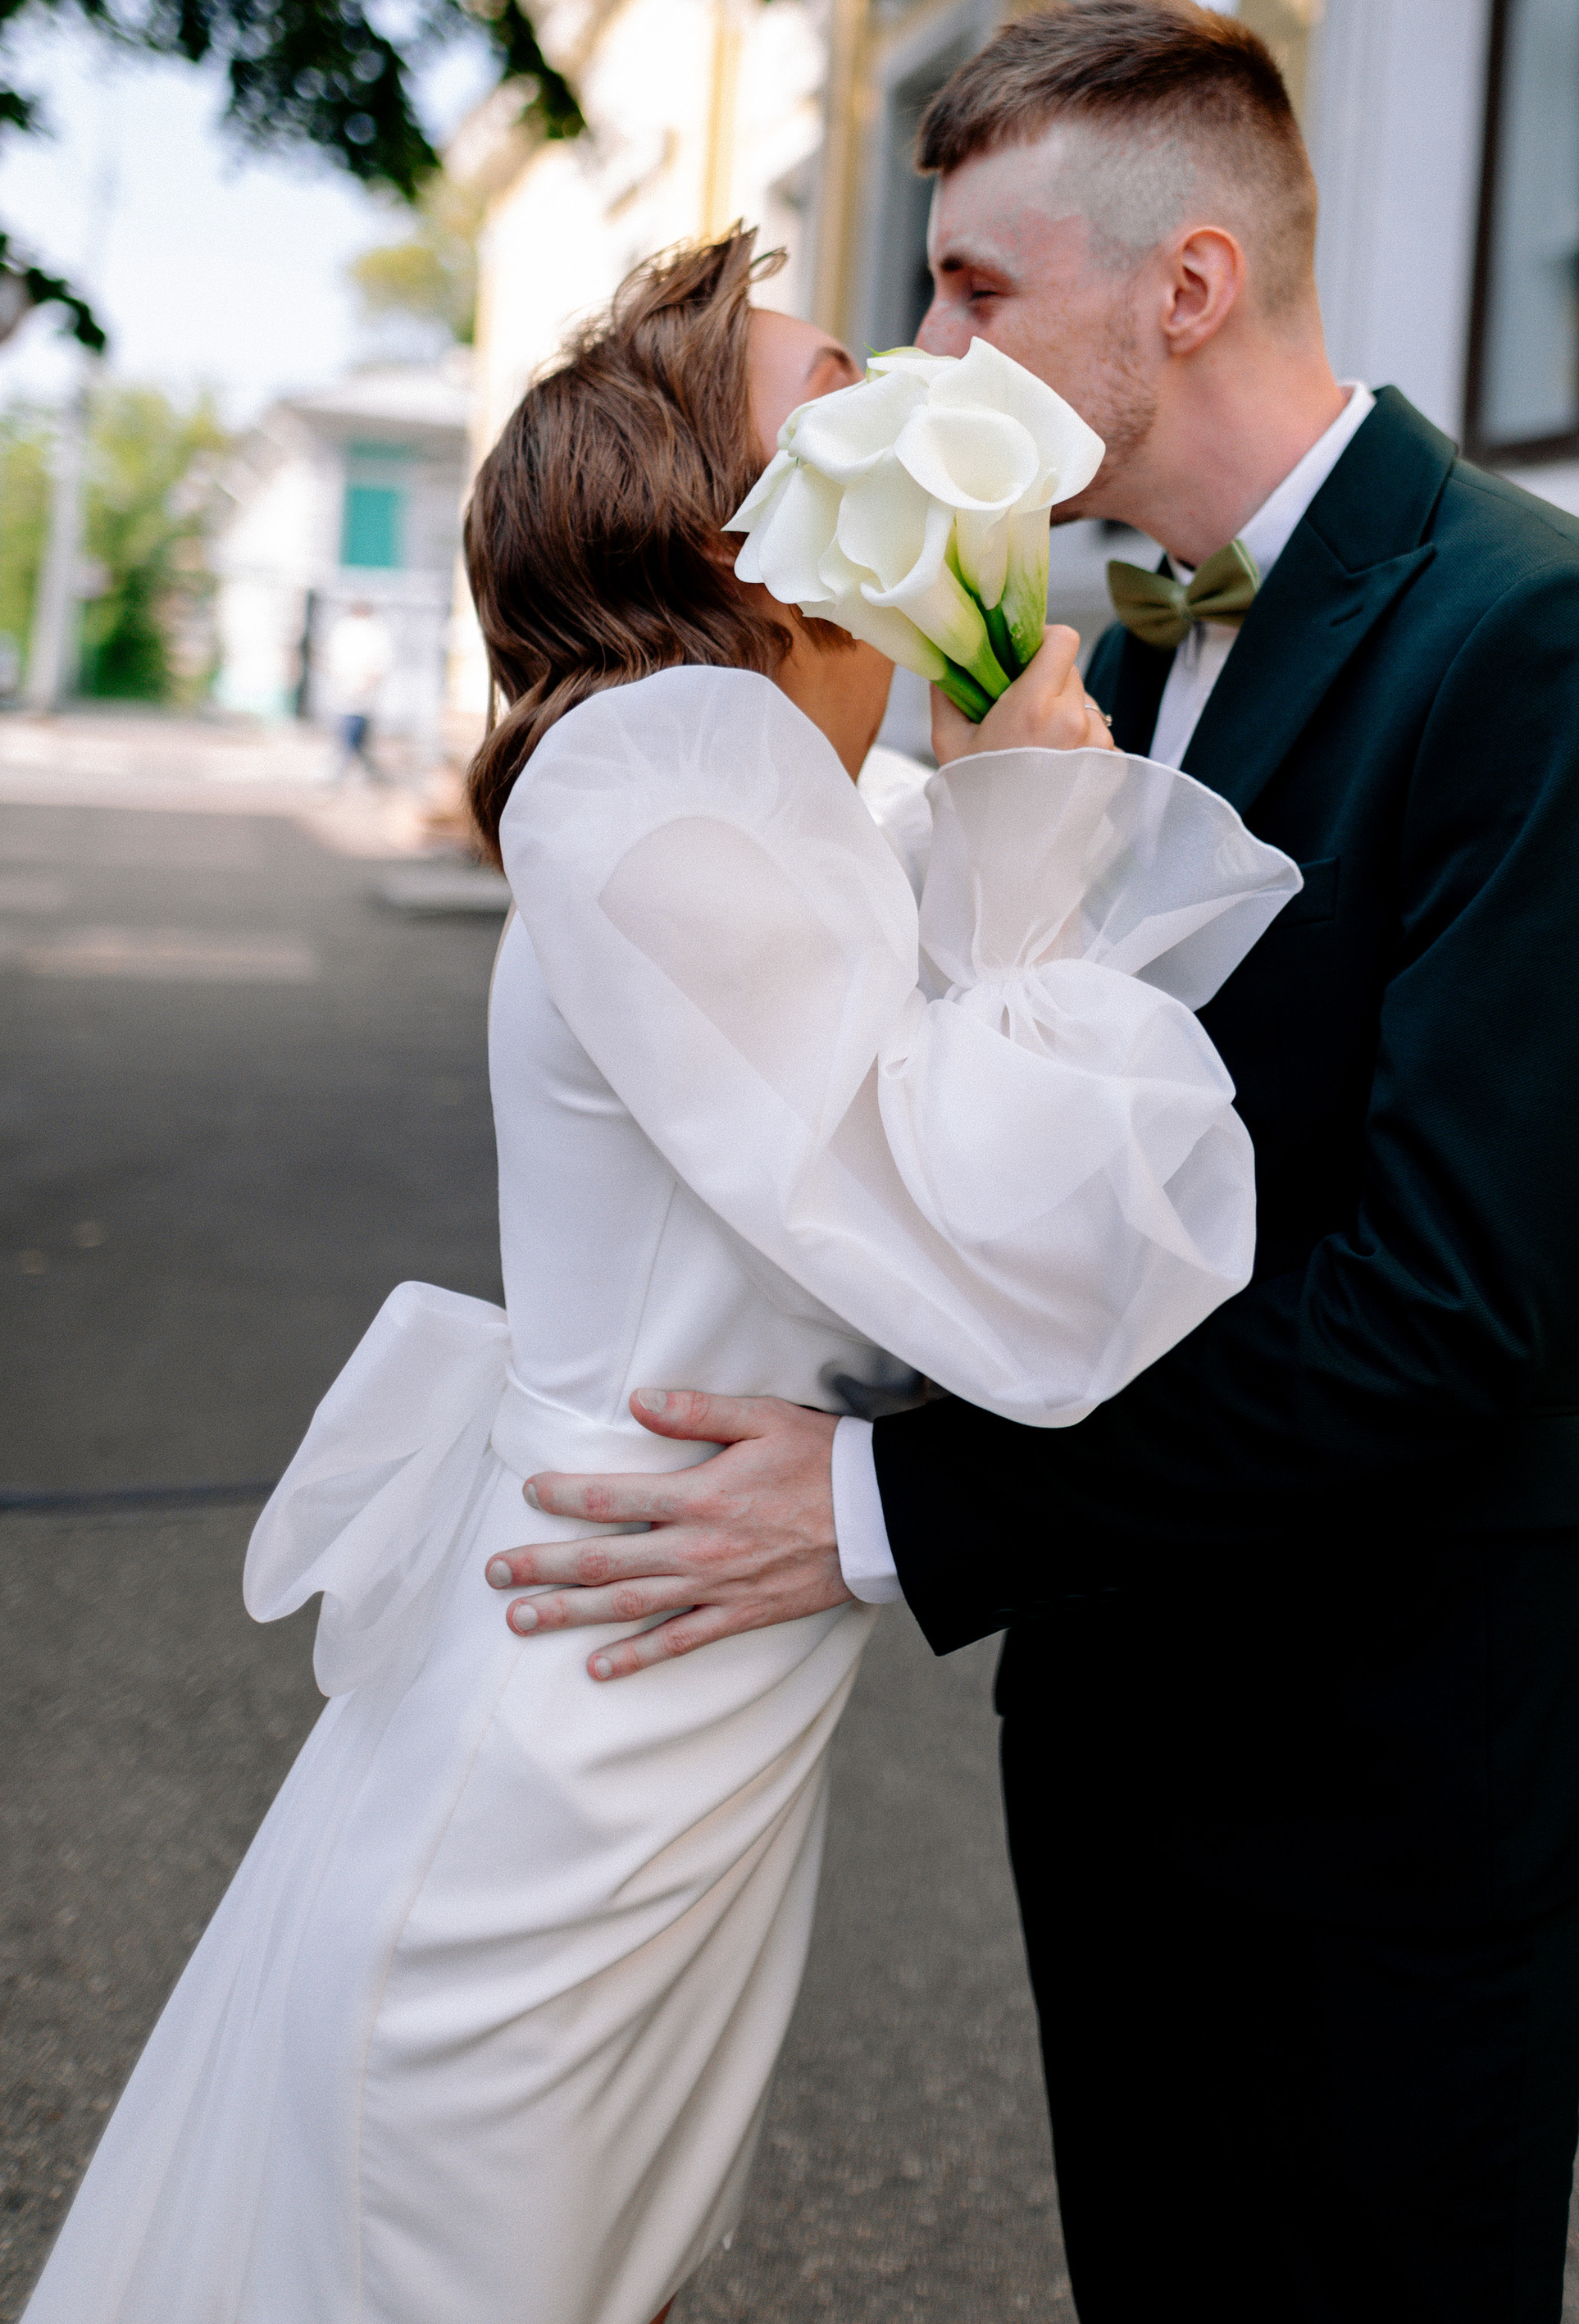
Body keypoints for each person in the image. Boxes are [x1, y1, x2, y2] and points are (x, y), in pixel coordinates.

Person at [492, 0, 1579, 2321]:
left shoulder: (1545, 641)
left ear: (1187, 287)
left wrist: (884, 1506)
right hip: (1118, 1705)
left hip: (1397, 1747)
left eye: (976, 287)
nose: (927, 352)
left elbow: (1449, 1301)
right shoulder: (1095, 657)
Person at [21, 234, 1297, 2324]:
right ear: (738, 535)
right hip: (578, 1744)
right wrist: (1029, 836)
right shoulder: (662, 775)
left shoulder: (793, 794)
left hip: (685, 1712)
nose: (921, 385)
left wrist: (989, 801)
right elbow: (1017, 1265)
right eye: (845, 382)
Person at [324, 595, 394, 777]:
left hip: (365, 688)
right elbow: (334, 656)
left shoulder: (375, 630)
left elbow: (381, 660)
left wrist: (369, 680)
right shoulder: (345, 628)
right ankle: (357, 767)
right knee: (349, 726)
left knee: (357, 728)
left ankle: (351, 766)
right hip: (346, 685)